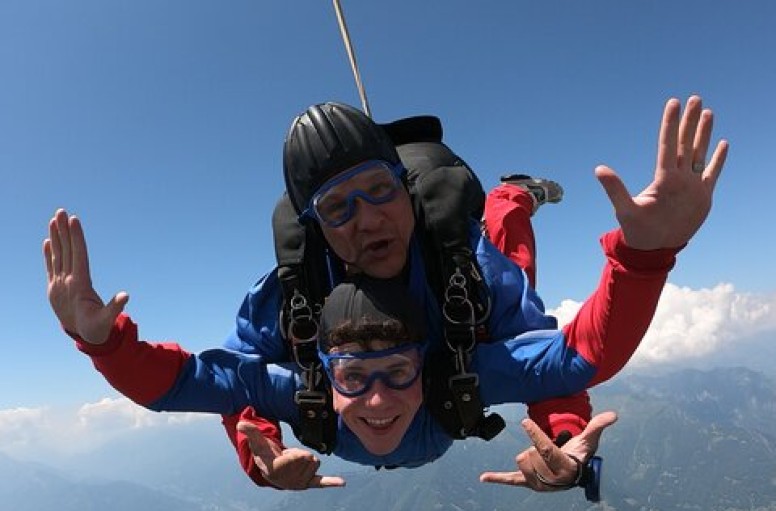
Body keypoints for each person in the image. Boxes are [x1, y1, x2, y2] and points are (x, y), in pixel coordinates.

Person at [45, 95, 727, 485]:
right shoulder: (292, 294)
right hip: (434, 391)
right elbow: (229, 379)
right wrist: (256, 444)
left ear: (404, 188)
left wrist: (563, 431)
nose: (366, 219)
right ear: (315, 227)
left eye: (378, 192)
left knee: (509, 247)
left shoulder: (474, 278)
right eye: (338, 209)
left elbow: (564, 363)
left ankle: (514, 193)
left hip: (460, 339)